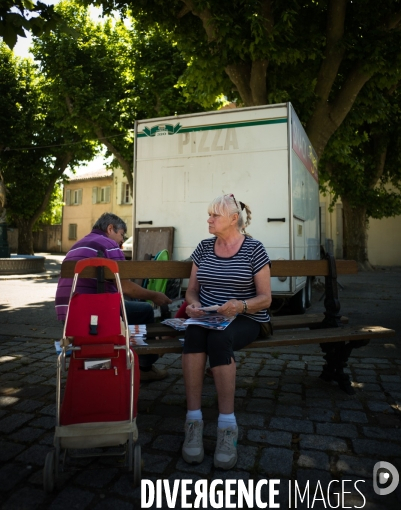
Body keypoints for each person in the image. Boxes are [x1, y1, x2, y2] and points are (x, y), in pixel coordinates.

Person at [182, 194, 272, 469]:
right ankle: (193, 421)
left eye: (214, 215)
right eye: (209, 214)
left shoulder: (254, 249)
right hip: (209, 317)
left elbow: (265, 298)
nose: (208, 219)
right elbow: (192, 290)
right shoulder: (204, 247)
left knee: (220, 339)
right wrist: (194, 305)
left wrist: (239, 305)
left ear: (234, 219)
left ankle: (227, 426)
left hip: (247, 317)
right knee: (195, 335)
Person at [55, 212, 172, 382]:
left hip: (68, 313)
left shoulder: (78, 244)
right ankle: (145, 367)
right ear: (110, 228)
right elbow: (126, 287)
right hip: (95, 313)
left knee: (127, 305)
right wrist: (154, 296)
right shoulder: (108, 244)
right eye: (121, 234)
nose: (122, 241)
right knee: (145, 309)